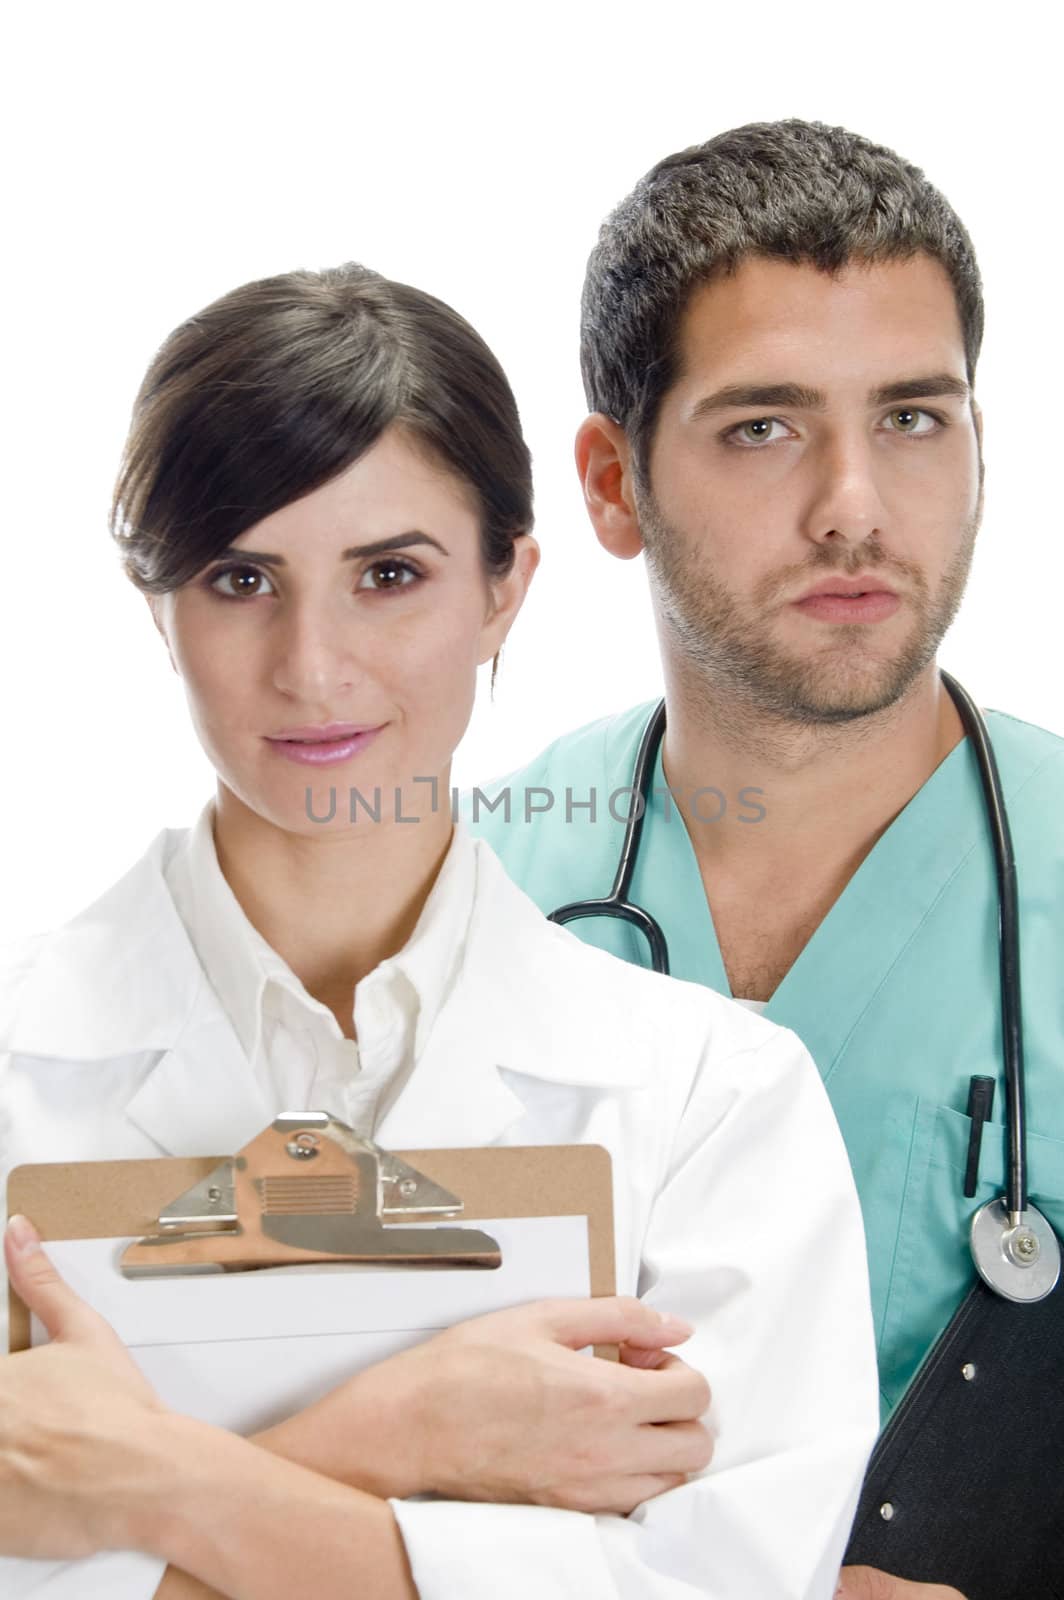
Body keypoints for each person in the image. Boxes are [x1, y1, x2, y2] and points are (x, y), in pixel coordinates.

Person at [0, 263, 877, 1599]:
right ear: (155, 603)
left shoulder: (712, 1104)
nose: (312, 665)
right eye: (242, 578)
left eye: (389, 574)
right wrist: (410, 1433)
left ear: (507, 586)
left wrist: (148, 1486)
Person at [467, 120, 1064, 1600]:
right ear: (611, 485)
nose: (855, 503)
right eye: (765, 426)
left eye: (915, 419)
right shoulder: (466, 890)